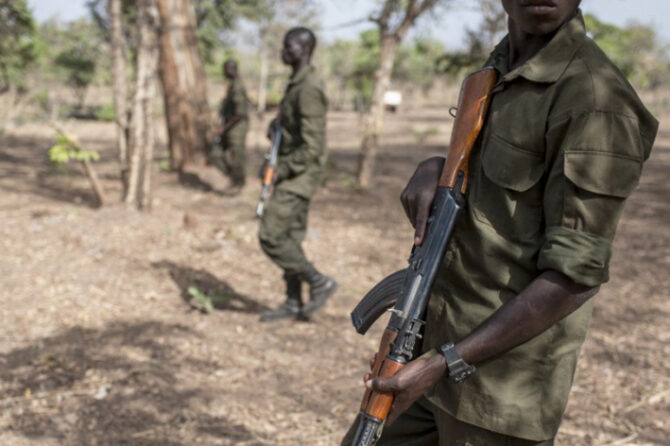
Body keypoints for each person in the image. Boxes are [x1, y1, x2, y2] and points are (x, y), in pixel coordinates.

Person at [343, 1, 658, 445]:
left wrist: (443, 363)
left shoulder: (596, 100)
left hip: (497, 390)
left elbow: (575, 276)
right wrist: (439, 165)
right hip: (427, 346)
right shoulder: (500, 71)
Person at [258, 27, 338, 321]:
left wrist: (281, 170)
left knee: (271, 235)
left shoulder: (308, 88)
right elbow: (293, 132)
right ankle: (293, 302)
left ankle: (320, 282)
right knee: (289, 236)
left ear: (305, 49)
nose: (283, 50)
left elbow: (314, 148)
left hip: (301, 174)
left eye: (289, 46)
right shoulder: (296, 83)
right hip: (292, 169)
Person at [210, 59, 249, 189]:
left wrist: (223, 128)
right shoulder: (232, 85)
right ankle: (232, 177)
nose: (224, 72)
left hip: (236, 127)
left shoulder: (238, 86)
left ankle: (238, 183)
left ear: (232, 69)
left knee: (237, 156)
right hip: (229, 125)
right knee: (216, 153)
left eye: (225, 69)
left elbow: (240, 113)